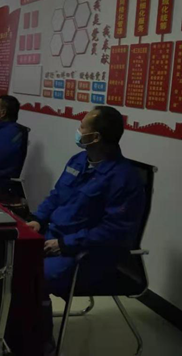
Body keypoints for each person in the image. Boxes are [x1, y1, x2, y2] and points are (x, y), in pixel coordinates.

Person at [26, 106, 145, 355]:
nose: (78, 130)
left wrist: (65, 244)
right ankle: (15, 330)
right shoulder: (78, 160)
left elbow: (113, 231)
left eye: (82, 126)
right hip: (54, 238)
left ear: (95, 137)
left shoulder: (124, 178)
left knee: (32, 276)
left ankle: (40, 344)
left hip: (87, 255)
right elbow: (57, 195)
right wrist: (38, 219)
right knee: (13, 259)